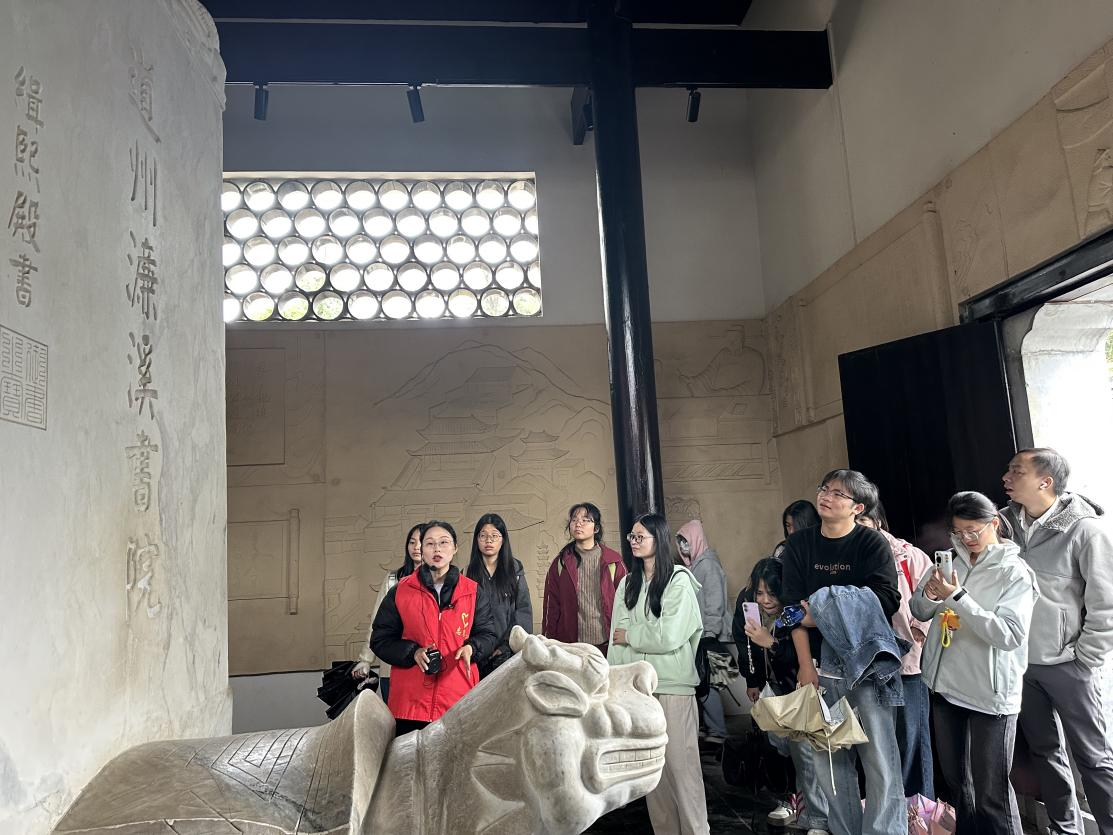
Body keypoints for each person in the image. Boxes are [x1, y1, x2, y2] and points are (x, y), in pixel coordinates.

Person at [780, 469, 903, 835]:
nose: (826, 496)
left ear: (857, 507)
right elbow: (791, 611)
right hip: (820, 666)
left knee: (879, 758)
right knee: (829, 761)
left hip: (867, 664)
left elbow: (887, 600)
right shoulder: (799, 545)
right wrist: (805, 666)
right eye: (824, 489)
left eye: (837, 493)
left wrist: (819, 608)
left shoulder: (871, 543)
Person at [911, 491, 1039, 835]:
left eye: (973, 531)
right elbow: (919, 611)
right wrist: (930, 594)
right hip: (946, 689)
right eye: (958, 532)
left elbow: (1009, 635)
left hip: (990, 695)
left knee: (991, 795)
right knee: (959, 786)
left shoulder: (1014, 572)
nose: (966, 539)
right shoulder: (949, 562)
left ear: (994, 523)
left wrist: (957, 597)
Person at [1000, 448, 1113, 835]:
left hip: (1069, 665)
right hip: (1022, 663)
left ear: (1045, 482)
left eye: (1017, 471)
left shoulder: (1086, 531)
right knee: (1045, 753)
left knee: (1094, 757)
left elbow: (1106, 603)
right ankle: (1065, 830)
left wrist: (1085, 658)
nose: (1006, 478)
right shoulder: (1004, 525)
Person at [609, 512, 709, 835]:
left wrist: (633, 635)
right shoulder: (627, 583)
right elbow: (615, 638)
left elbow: (669, 635)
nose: (634, 542)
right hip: (639, 691)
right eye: (632, 536)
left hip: (673, 687)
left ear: (659, 539)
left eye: (641, 536)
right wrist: (615, 684)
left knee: (682, 769)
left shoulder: (679, 580)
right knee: (653, 774)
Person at [370, 520, 498, 735]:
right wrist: (412, 652)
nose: (437, 549)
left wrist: (472, 648)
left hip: (458, 699)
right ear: (422, 550)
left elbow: (488, 634)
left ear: (455, 548)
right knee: (409, 756)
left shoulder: (473, 592)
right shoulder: (401, 591)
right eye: (429, 543)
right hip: (410, 703)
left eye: (444, 542)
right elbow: (380, 640)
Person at [734, 557, 829, 835]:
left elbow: (802, 657)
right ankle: (793, 803)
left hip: (799, 688)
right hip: (773, 688)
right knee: (781, 749)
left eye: (772, 593)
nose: (765, 600)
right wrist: (752, 679)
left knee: (806, 754)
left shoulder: (796, 612)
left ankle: (817, 818)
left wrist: (771, 643)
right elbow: (743, 644)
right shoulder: (750, 608)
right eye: (760, 593)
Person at [858, 500, 935, 800]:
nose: (857, 529)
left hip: (907, 662)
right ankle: (890, 806)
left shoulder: (908, 556)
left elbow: (934, 597)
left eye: (863, 522)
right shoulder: (851, 558)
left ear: (877, 521)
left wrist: (920, 629)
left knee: (911, 736)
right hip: (868, 664)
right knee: (876, 740)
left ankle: (918, 808)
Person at [352, 523, 424, 702]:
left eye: (422, 542)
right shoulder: (393, 579)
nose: (416, 547)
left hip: (425, 664)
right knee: (394, 716)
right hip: (392, 664)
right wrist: (366, 659)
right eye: (412, 542)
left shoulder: (443, 580)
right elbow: (377, 622)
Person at [542, 502, 626, 653]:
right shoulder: (560, 563)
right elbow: (551, 606)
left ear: (596, 528)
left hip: (607, 644)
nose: (578, 524)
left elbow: (627, 602)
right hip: (570, 646)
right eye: (574, 520)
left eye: (585, 520)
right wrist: (547, 642)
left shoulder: (613, 562)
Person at [676, 519, 731, 745]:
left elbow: (714, 602)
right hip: (700, 636)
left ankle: (718, 731)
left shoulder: (708, 565)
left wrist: (709, 632)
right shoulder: (695, 566)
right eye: (680, 542)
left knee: (708, 685)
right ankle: (710, 728)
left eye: (686, 541)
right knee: (704, 683)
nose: (683, 546)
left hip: (709, 636)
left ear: (696, 539)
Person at [465, 513, 533, 678]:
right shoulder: (466, 573)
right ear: (476, 540)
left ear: (503, 540)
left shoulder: (514, 571)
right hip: (476, 653)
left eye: (494, 536)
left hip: (507, 654)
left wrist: (506, 646)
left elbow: (523, 611)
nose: (488, 540)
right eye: (483, 536)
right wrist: (475, 646)